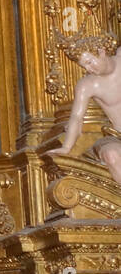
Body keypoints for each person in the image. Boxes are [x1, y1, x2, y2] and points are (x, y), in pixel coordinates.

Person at [51, 44, 121, 184]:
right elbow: (76, 117)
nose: (89, 69)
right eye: (85, 66)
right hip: (118, 136)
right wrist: (66, 147)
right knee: (111, 154)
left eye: (89, 62)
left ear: (102, 51)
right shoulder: (88, 84)